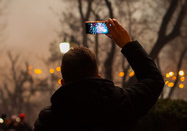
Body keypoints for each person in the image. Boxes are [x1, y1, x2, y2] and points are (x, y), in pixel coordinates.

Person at [34, 19, 164, 131]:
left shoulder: (48, 121)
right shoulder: (121, 104)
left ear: (62, 83)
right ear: (99, 77)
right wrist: (127, 44)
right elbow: (153, 79)